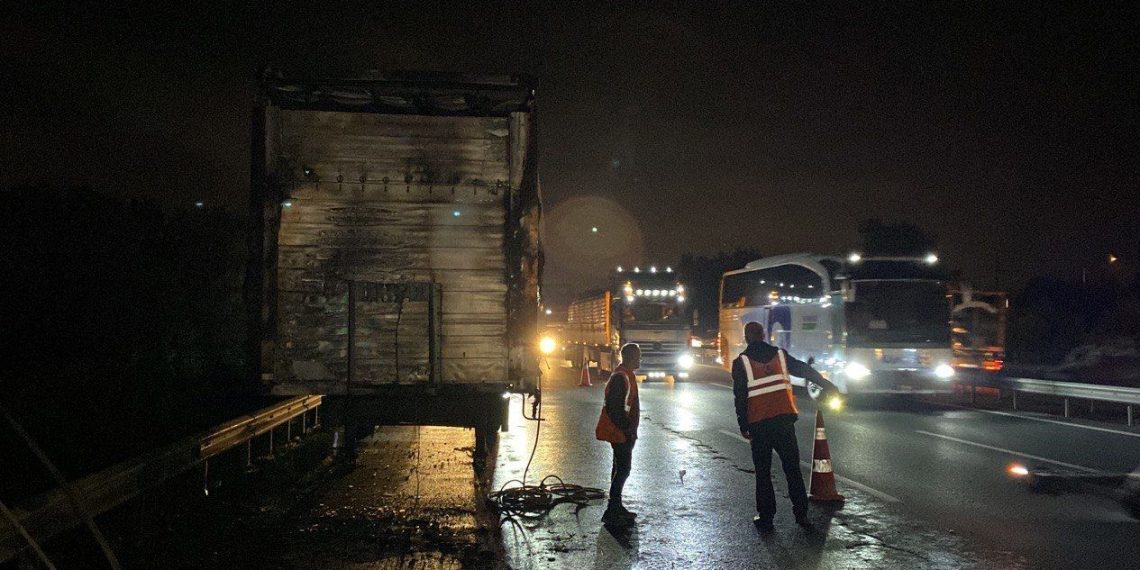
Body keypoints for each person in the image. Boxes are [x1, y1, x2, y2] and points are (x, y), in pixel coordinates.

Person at [732, 321, 838, 532]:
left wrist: (743, 425)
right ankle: (802, 515)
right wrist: (827, 385)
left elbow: (740, 397)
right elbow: (803, 369)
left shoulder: (741, 362)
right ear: (763, 335)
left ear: (746, 337)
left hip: (759, 425)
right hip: (783, 422)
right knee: (792, 470)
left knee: (763, 473)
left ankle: (766, 517)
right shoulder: (780, 355)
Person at [595, 343, 641, 526]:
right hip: (619, 431)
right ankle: (612, 510)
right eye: (638, 356)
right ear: (630, 358)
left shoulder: (626, 375)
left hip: (623, 431)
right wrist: (627, 429)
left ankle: (616, 506)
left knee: (618, 468)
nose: (640, 360)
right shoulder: (621, 378)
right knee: (623, 469)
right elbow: (616, 409)